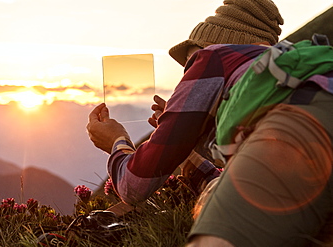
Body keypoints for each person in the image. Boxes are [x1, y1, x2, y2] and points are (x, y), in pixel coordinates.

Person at [88, 0, 333, 245]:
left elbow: (134, 187)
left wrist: (116, 142)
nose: (187, 74)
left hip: (301, 127)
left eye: (189, 63)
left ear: (210, 46)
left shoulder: (213, 56)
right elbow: (226, 186)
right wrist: (182, 142)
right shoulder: (280, 79)